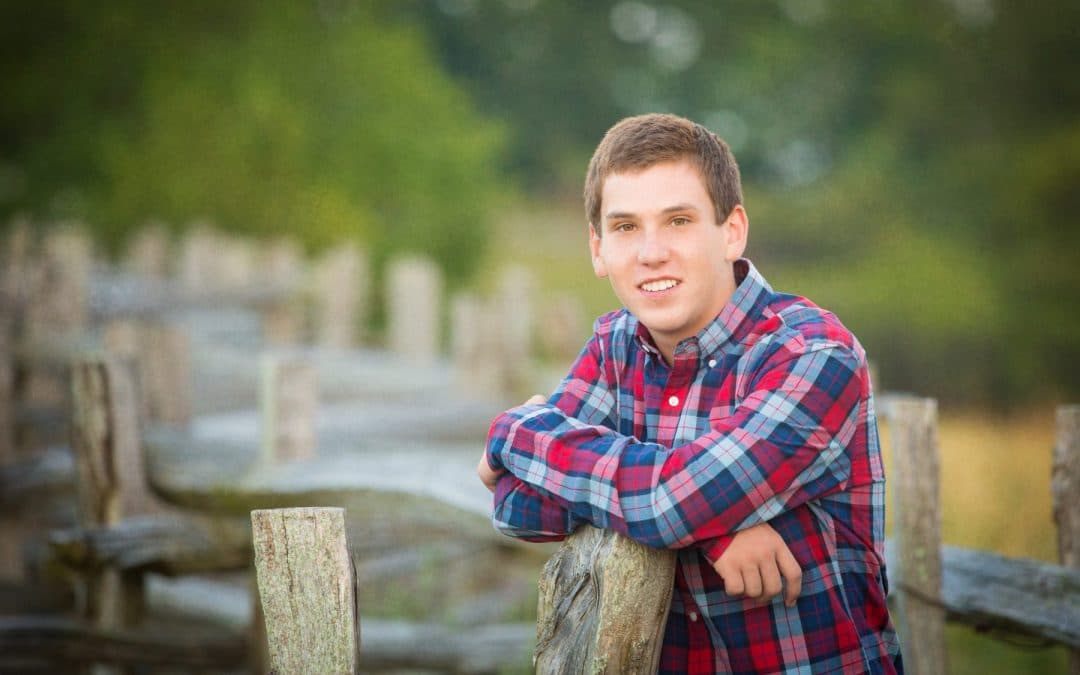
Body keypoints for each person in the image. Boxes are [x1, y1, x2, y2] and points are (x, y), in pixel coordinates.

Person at [477, 113, 902, 674]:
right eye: (626, 227)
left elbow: (671, 503)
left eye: (677, 220)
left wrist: (513, 431)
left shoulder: (813, 355)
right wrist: (716, 527)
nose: (651, 252)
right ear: (598, 248)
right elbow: (515, 505)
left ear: (732, 231)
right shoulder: (615, 348)